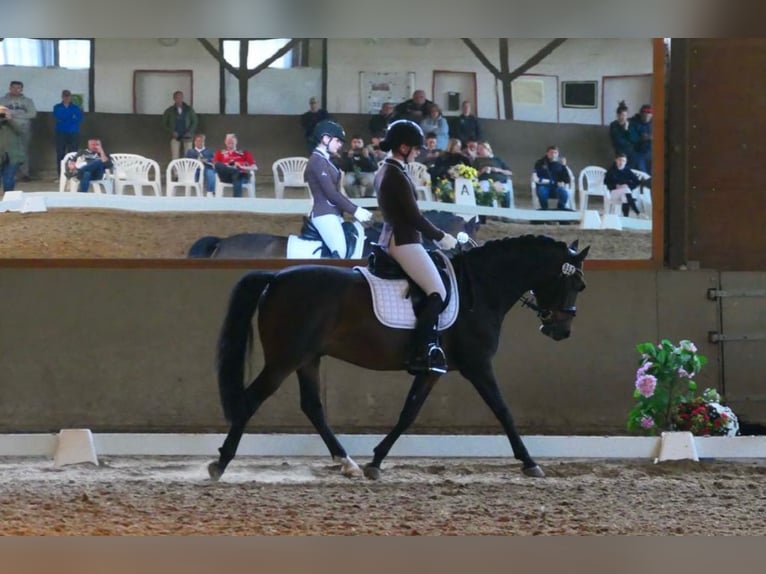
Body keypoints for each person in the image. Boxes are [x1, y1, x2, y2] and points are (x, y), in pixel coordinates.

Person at [374, 120, 458, 374]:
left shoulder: (388, 169)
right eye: (416, 148)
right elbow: (414, 217)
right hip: (404, 240)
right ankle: (422, 351)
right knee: (437, 292)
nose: (419, 152)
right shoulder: (395, 175)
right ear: (403, 147)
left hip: (395, 237)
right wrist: (441, 236)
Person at [306, 120, 372, 258]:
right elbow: (330, 193)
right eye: (337, 141)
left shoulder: (326, 160)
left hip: (334, 214)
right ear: (325, 139)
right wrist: (356, 210)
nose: (340, 145)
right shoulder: (317, 160)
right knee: (340, 252)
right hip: (324, 214)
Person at [0, 81, 37, 181]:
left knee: (23, 151)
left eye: (18, 88)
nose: (16, 90)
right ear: (9, 88)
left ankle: (24, 174)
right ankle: (7, 174)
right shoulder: (2, 100)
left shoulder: (28, 101)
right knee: (5, 151)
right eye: (13, 87)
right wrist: (9, 117)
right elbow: (1, 114)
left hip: (24, 130)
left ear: (22, 89)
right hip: (6, 130)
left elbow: (32, 114)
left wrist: (12, 115)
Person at [212, 133, 257, 198]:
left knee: (237, 176)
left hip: (240, 176)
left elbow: (255, 167)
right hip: (226, 177)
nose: (230, 141)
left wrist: (241, 167)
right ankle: (235, 171)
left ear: (236, 141)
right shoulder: (220, 153)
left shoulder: (244, 153)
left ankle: (236, 203)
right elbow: (215, 166)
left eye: (232, 139)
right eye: (228, 140)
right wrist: (228, 166)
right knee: (217, 164)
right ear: (225, 142)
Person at [53, 89, 84, 178]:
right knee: (60, 154)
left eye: (68, 96)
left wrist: (67, 118)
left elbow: (79, 119)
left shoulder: (76, 107)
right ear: (62, 97)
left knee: (73, 154)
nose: (66, 98)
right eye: (65, 96)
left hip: (73, 132)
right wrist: (71, 117)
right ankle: (61, 175)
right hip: (60, 132)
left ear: (71, 97)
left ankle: (72, 173)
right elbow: (58, 116)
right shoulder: (57, 107)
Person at [162, 91, 198, 160]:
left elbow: (195, 121)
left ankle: (187, 170)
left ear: (182, 98)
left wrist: (190, 131)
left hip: (187, 135)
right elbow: (164, 123)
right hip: (175, 135)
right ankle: (175, 170)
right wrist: (172, 132)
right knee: (175, 156)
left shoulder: (189, 109)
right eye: (177, 98)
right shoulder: (169, 110)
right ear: (174, 99)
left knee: (188, 156)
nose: (179, 99)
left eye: (180, 97)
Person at [532, 145, 570, 210]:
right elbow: (535, 177)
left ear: (558, 154)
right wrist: (550, 182)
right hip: (544, 186)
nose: (553, 154)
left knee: (564, 193)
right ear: (547, 153)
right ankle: (545, 210)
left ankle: (560, 210)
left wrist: (564, 166)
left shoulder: (560, 165)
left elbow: (567, 180)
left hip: (556, 188)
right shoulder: (540, 163)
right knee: (542, 191)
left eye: (555, 153)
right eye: (551, 152)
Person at [604, 152, 641, 217]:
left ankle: (625, 217)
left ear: (626, 162)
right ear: (616, 160)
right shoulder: (611, 171)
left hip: (624, 192)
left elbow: (637, 182)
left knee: (625, 198)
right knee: (626, 191)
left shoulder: (627, 170)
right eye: (619, 160)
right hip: (613, 193)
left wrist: (628, 185)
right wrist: (616, 186)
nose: (621, 162)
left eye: (623, 160)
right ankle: (637, 211)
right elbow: (606, 182)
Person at [0, 105, 24, 192]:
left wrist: (10, 120)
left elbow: (20, 131)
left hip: (12, 155)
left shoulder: (14, 123)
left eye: (4, 113)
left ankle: (8, 197)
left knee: (9, 177)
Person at [629, 104, 653, 174]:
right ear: (640, 114)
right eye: (644, 113)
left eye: (649, 113)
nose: (647, 115)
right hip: (637, 150)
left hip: (651, 150)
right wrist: (642, 138)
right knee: (638, 160)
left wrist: (650, 137)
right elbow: (632, 138)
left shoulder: (654, 123)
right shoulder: (633, 123)